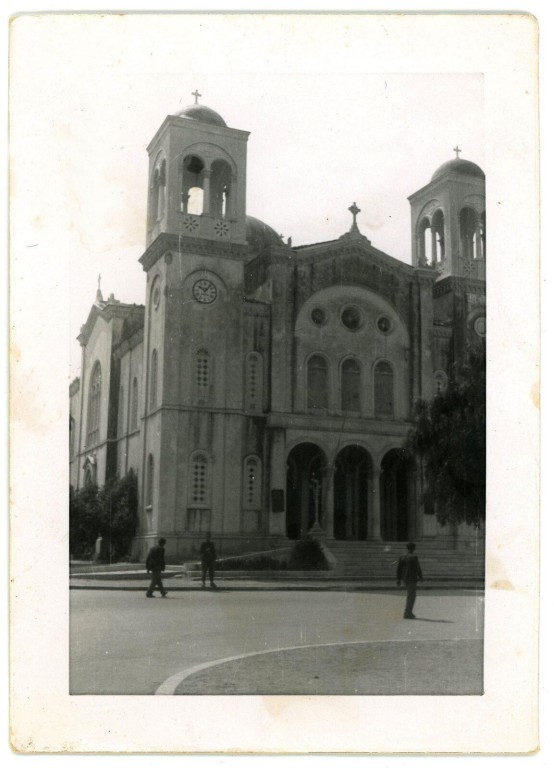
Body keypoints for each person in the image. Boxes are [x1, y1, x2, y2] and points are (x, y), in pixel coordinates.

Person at [396, 542, 423, 619]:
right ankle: (407, 613)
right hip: (412, 578)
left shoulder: (402, 556)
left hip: (405, 578)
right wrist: (421, 577)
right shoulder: (414, 556)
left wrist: (398, 579)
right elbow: (417, 568)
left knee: (409, 595)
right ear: (414, 548)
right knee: (411, 596)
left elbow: (399, 569)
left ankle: (409, 612)